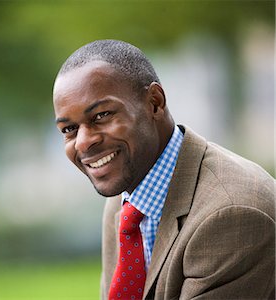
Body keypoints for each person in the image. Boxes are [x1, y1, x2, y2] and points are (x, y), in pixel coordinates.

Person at [52, 39, 275, 300]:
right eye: (69, 129)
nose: (83, 141)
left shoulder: (231, 215)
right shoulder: (124, 199)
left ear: (155, 103)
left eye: (102, 115)